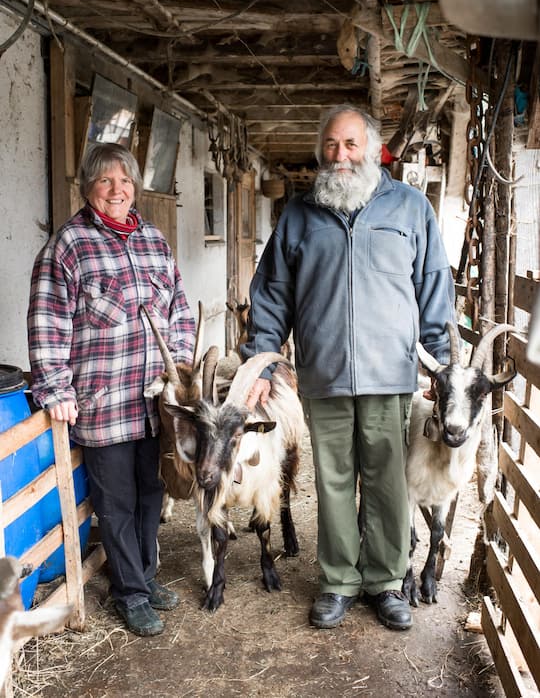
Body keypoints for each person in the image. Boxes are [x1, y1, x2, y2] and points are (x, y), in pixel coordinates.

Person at [241, 105, 456, 632]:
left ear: (372, 149)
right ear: (322, 151)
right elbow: (271, 294)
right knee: (334, 480)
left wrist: (442, 363)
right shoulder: (299, 214)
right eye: (332, 146)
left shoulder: (409, 209)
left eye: (351, 145)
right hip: (324, 372)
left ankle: (385, 581)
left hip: (392, 374)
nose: (341, 156)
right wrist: (262, 364)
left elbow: (433, 288)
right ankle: (338, 581)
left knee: (387, 481)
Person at [27, 142, 196, 637]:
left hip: (153, 401)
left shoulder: (154, 241)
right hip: (103, 404)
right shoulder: (68, 245)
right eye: (105, 181)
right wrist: (55, 388)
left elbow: (180, 311)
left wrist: (179, 369)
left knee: (151, 492)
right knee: (116, 502)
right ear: (87, 188)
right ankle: (130, 593)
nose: (117, 190)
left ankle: (145, 575)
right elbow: (47, 323)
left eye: (125, 181)